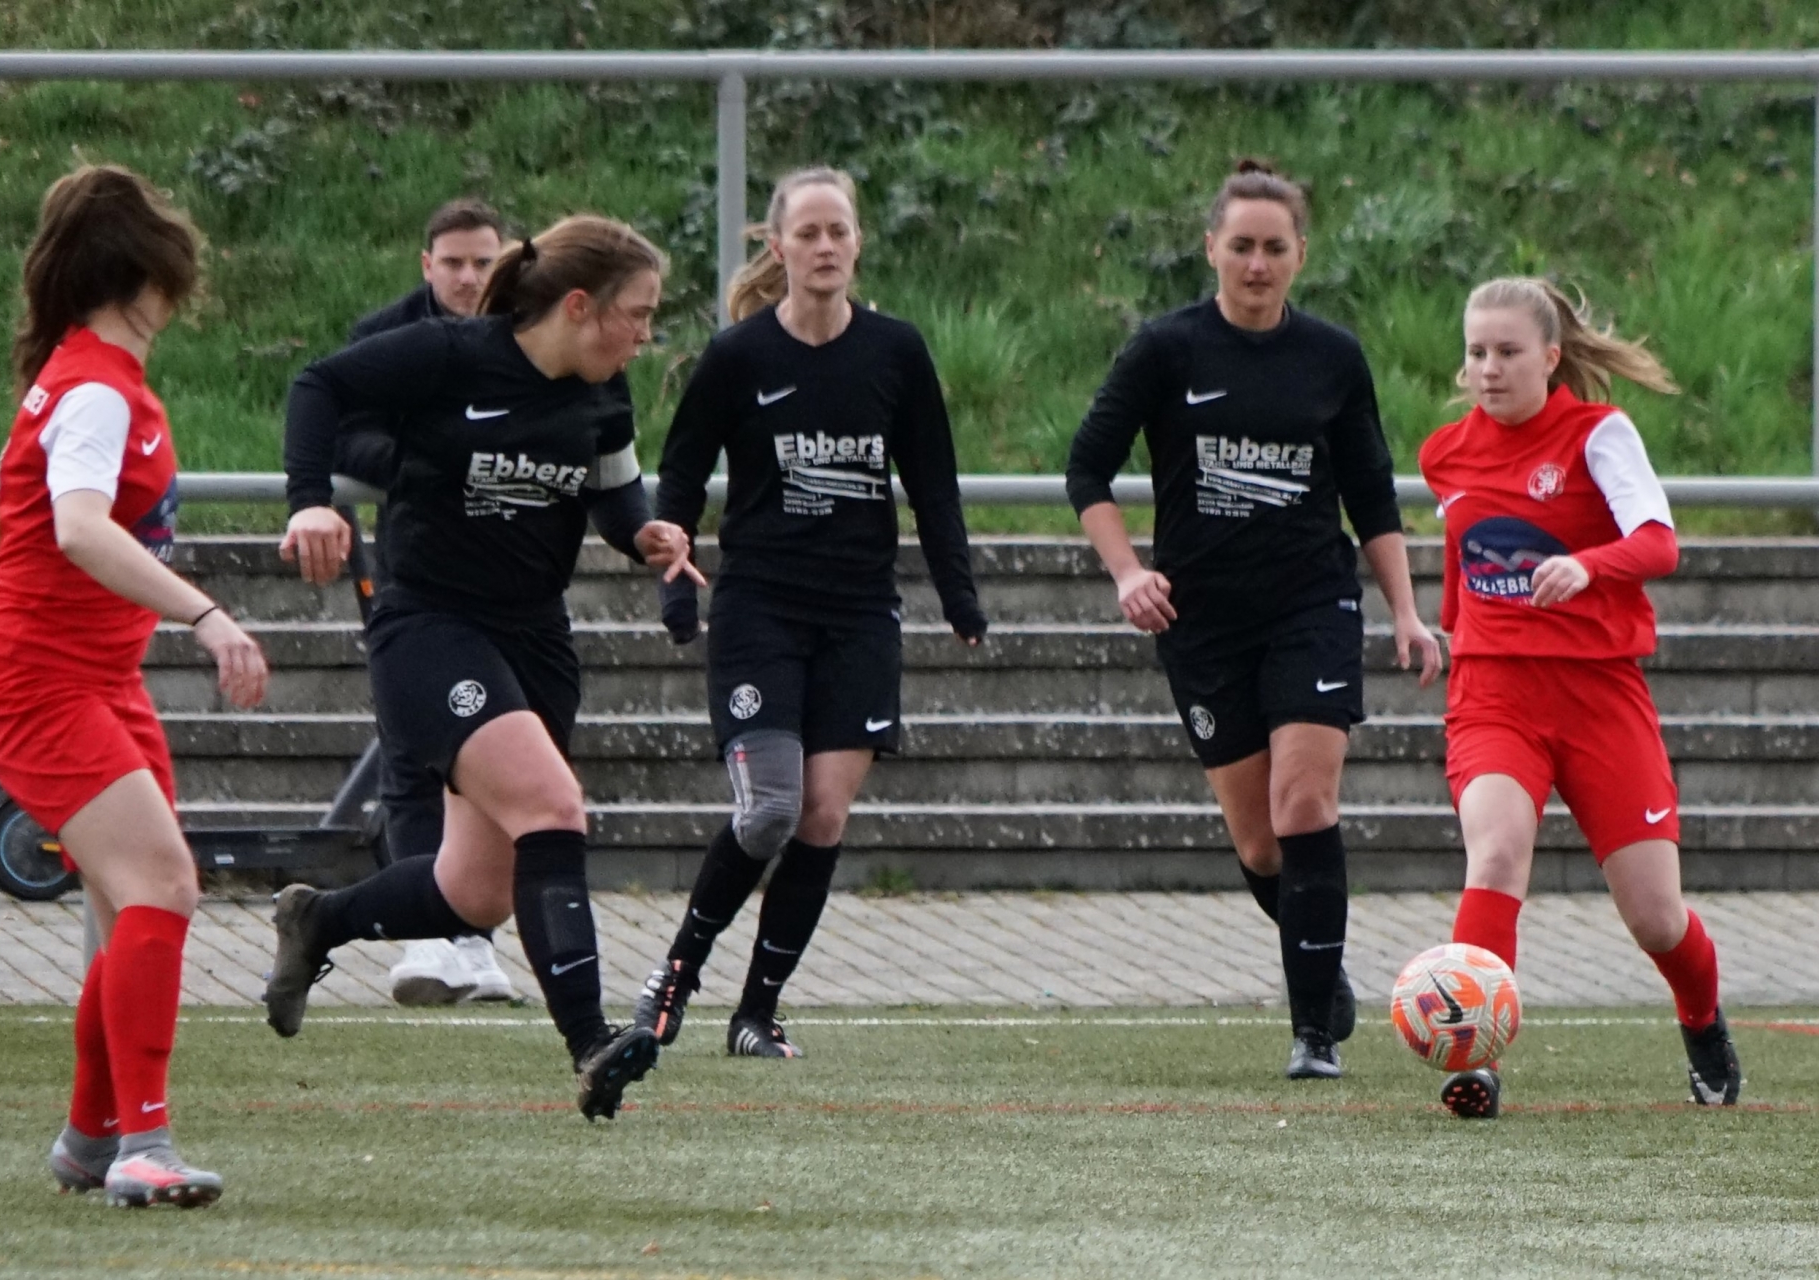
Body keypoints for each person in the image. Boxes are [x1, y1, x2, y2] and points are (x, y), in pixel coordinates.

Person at [264, 214, 701, 1121]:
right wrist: (310, 503)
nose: (645, 334)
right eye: (638, 313)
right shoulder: (451, 353)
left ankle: (319, 921)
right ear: (579, 306)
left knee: (475, 893)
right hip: (431, 627)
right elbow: (319, 386)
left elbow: (615, 488)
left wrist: (644, 534)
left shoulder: (603, 390)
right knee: (554, 806)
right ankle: (591, 1043)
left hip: (534, 639)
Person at [1064, 160, 1440, 1081]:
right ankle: (1322, 960)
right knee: (1260, 843)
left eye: (1275, 247)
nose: (1258, 264)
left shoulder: (1333, 357)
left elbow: (1371, 494)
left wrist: (1406, 611)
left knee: (1303, 803)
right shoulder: (1166, 350)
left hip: (1311, 605)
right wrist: (1128, 572)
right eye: (1242, 246)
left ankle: (1313, 1033)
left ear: (1301, 253)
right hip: (1201, 620)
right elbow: (1087, 470)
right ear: (1212, 250)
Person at [0, 164, 268, 1205]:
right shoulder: (96, 387)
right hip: (42, 681)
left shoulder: (87, 376)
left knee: (124, 903)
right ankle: (144, 1143)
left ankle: (92, 1138)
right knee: (163, 886)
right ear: (151, 274)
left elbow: (15, 519)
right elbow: (81, 529)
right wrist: (207, 615)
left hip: (91, 675)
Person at [632, 167, 985, 1060]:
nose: (825, 246)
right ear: (779, 246)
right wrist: (675, 583)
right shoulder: (739, 357)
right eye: (808, 233)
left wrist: (959, 594)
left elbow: (933, 484)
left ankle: (757, 1013)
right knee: (769, 812)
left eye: (839, 231)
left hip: (859, 616)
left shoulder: (896, 352)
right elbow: (681, 479)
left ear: (857, 243)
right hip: (761, 611)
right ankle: (674, 977)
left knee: (822, 817)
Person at [1418, 276, 1739, 1118]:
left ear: (1551, 357)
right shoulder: (1444, 452)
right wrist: (1444, 634)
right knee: (1496, 854)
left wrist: (1587, 567)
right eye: (1477, 353)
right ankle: (1476, 1060)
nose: (1489, 368)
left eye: (1508, 351)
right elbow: (1463, 561)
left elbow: (1659, 544)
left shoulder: (1599, 434)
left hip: (1599, 694)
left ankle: (1701, 1017)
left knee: (1656, 918)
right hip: (1493, 692)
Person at [334, 197, 517, 1007]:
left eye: (484, 262)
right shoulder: (386, 336)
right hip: (416, 568)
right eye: (454, 263)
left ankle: (474, 940)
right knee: (413, 751)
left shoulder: (531, 330)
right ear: (426, 265)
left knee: (499, 756)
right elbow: (344, 429)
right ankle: (429, 938)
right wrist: (428, 464)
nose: (470, 278)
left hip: (513, 575)